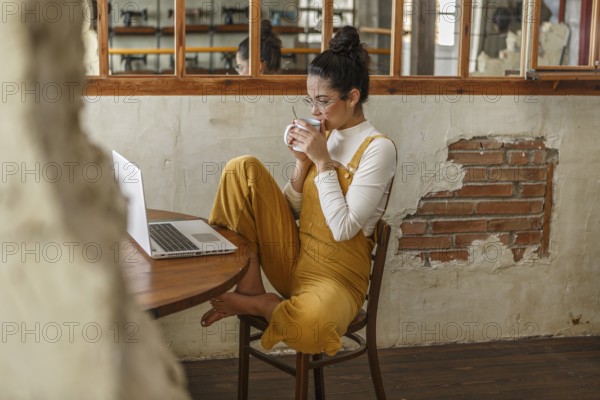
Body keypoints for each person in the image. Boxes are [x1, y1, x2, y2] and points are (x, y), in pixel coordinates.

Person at [201, 26, 397, 356]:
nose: (315, 111)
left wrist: (322, 163)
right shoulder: (327, 135)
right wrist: (301, 165)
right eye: (310, 100)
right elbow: (293, 210)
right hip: (295, 258)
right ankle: (249, 284)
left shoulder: (379, 149)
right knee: (241, 168)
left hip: (337, 278)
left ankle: (264, 306)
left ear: (352, 97)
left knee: (310, 327)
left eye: (323, 101)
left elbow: (344, 227)